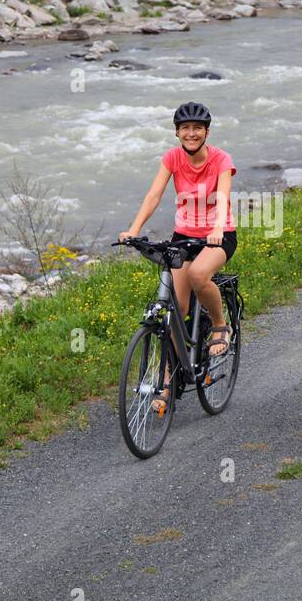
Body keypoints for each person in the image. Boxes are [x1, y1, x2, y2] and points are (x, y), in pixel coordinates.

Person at [120, 102, 236, 412]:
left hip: (218, 235)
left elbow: (223, 196)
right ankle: (169, 380)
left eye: (198, 128)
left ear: (206, 132)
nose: (192, 133)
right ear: (177, 132)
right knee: (176, 310)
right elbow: (154, 194)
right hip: (183, 237)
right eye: (186, 128)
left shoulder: (221, 159)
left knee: (200, 275)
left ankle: (219, 325)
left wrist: (216, 227)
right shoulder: (172, 158)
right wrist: (134, 229)